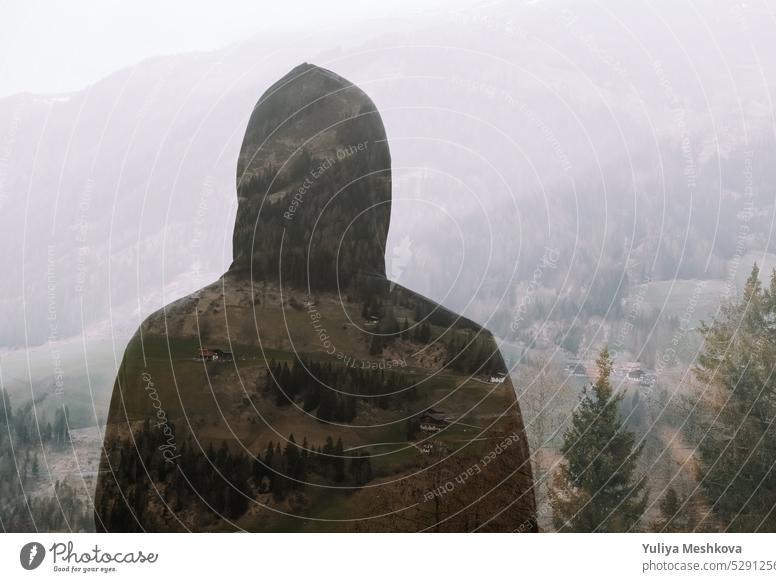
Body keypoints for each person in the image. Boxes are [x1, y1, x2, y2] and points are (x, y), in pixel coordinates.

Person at [95, 63, 537, 532]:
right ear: (377, 187)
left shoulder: (158, 341)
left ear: (249, 183)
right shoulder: (463, 349)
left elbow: (113, 542)